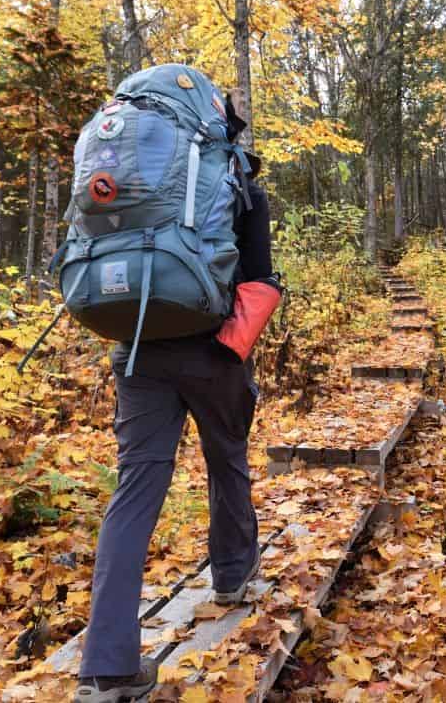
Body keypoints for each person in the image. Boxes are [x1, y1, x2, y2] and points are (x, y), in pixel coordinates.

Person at [74, 88, 277, 703]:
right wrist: (229, 348)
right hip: (211, 346)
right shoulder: (237, 178)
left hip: (133, 348)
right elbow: (260, 278)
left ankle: (105, 669)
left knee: (135, 489)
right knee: (227, 457)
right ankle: (234, 577)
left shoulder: (133, 174)